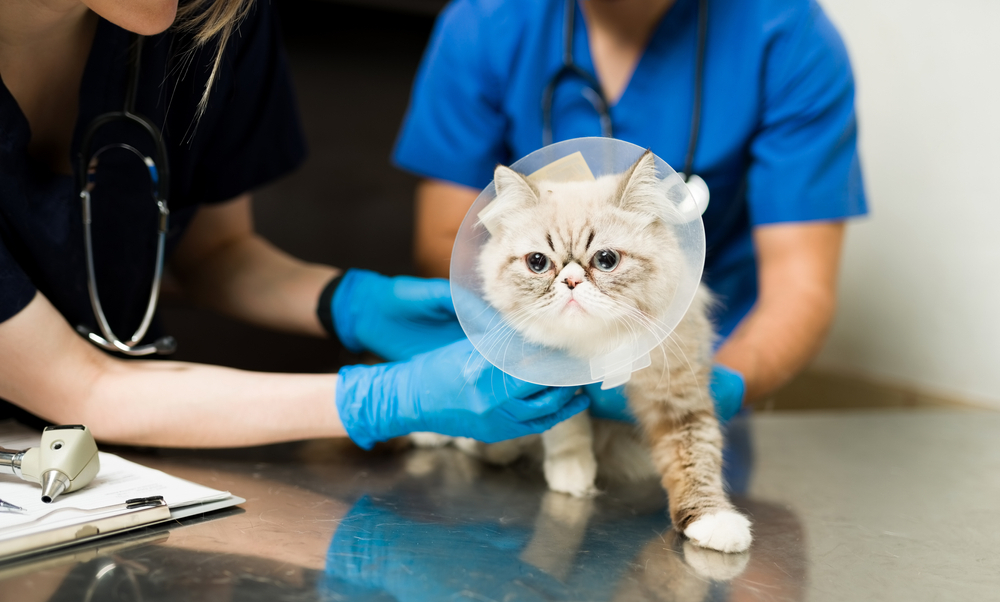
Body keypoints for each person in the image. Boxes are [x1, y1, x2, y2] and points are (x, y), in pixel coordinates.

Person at [0, 0, 588, 448]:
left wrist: (351, 303)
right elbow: (82, 387)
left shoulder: (209, 17)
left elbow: (214, 253)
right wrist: (385, 400)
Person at [393, 0, 868, 416]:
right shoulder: (487, 22)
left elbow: (799, 285)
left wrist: (703, 391)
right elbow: (447, 240)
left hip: (698, 355)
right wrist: (534, 356)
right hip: (530, 362)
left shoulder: (786, 33)